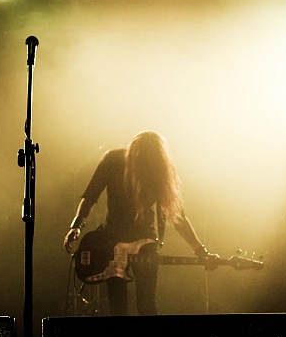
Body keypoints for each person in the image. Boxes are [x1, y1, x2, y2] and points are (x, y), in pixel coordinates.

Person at [63, 130, 219, 316]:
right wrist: (76, 225)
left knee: (146, 305)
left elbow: (177, 217)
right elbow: (90, 197)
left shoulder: (160, 171)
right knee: (120, 308)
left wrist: (201, 252)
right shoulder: (113, 160)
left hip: (144, 241)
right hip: (110, 243)